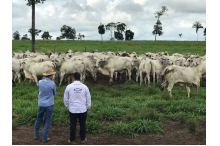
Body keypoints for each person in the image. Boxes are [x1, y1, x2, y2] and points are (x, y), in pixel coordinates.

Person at [64, 72, 91, 145]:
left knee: (73, 124)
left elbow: (66, 99)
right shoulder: (85, 87)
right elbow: (88, 97)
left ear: (73, 78)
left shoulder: (69, 87)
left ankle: (72, 139)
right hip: (83, 109)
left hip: (73, 109)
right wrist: (88, 106)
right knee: (82, 124)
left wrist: (67, 107)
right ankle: (83, 139)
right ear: (80, 78)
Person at [34, 69, 56, 143]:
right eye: (52, 75)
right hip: (49, 104)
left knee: (39, 119)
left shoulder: (40, 82)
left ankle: (36, 135)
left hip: (41, 104)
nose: (53, 76)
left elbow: (40, 89)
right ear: (50, 76)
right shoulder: (52, 84)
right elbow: (54, 93)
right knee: (48, 121)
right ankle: (44, 138)